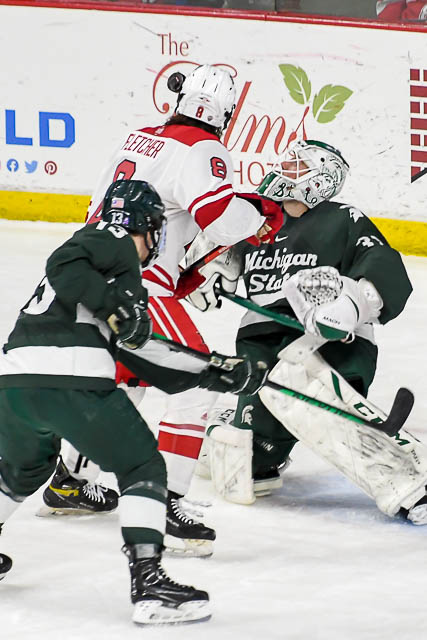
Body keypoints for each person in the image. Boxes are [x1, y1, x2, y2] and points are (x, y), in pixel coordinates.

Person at [0, 179, 269, 625]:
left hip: (13, 385)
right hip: (72, 380)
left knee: (22, 470)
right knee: (143, 466)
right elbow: (63, 262)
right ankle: (150, 586)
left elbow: (141, 353)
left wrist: (214, 371)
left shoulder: (111, 280)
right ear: (147, 226)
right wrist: (117, 306)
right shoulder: (113, 241)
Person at [43, 63, 283, 556]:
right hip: (139, 286)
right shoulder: (203, 147)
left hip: (89, 279)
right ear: (225, 114)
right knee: (198, 381)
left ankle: (71, 480)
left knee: (125, 379)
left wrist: (181, 270)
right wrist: (259, 214)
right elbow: (219, 218)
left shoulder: (137, 139)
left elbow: (121, 210)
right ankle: (165, 506)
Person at [183, 138, 427, 524]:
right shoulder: (256, 220)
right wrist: (203, 273)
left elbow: (382, 262)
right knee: (245, 463)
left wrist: (352, 303)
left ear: (321, 180)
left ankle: (408, 485)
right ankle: (230, 421)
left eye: (297, 165)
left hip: (332, 341)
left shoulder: (341, 218)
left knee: (305, 388)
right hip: (261, 346)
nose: (284, 169)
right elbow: (208, 259)